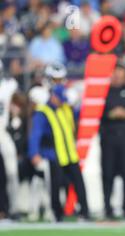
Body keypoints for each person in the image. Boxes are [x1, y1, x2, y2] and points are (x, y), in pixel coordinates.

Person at [28, 84, 90, 222]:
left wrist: (80, 101)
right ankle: (57, 214)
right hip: (54, 155)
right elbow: (35, 134)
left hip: (70, 154)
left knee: (79, 184)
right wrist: (34, 153)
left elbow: (78, 115)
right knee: (55, 187)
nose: (61, 101)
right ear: (53, 96)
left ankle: (84, 212)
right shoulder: (43, 112)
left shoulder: (65, 108)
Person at [100, 64, 125, 221]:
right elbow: (98, 113)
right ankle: (107, 208)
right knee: (107, 174)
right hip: (108, 138)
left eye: (120, 75)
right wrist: (111, 114)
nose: (117, 77)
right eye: (115, 74)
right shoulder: (105, 93)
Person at [0, 59, 19, 218]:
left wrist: (15, 115)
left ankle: (13, 207)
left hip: (3, 132)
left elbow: (19, 102)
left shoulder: (8, 86)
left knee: (12, 171)